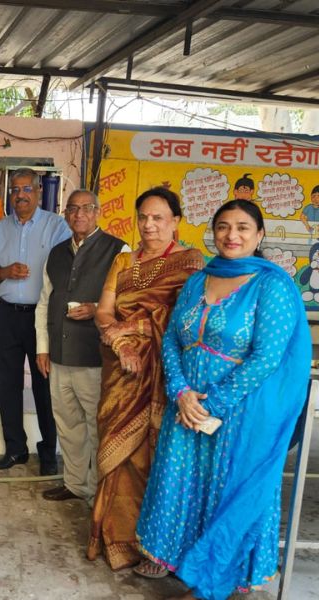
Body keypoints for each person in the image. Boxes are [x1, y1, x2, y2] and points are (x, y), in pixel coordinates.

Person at [135, 200, 310, 600]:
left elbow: (267, 357)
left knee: (224, 489)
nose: (232, 235)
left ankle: (219, 575)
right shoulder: (200, 280)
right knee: (183, 484)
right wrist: (180, 392)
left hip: (238, 411)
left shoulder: (272, 285)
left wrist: (211, 404)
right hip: (187, 404)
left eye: (244, 228)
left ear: (260, 235)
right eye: (224, 227)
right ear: (212, 233)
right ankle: (182, 562)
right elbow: (173, 340)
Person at [86, 187, 204, 570]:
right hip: (122, 369)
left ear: (175, 222)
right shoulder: (122, 261)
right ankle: (114, 539)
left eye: (158, 218)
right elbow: (104, 313)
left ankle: (155, 547)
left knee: (152, 458)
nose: (149, 225)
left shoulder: (190, 262)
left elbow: (187, 321)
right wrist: (122, 343)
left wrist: (141, 331)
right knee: (117, 458)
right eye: (143, 218)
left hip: (162, 374)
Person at [35, 190, 128, 502]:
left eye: (86, 209)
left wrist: (96, 307)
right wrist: (42, 348)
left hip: (95, 357)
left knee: (96, 425)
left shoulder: (118, 250)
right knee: (68, 425)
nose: (79, 215)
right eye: (72, 209)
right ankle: (76, 484)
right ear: (65, 214)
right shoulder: (57, 252)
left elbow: (128, 302)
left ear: (98, 212)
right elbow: (44, 301)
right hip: (59, 356)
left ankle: (101, 491)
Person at [0, 168, 71, 475]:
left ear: (39, 192)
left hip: (42, 318)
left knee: (45, 386)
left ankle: (48, 454)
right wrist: (4, 272)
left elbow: (70, 269)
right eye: (15, 190)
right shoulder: (0, 228)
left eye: (26, 189)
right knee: (8, 384)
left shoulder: (57, 226)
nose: (20, 195)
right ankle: (15, 449)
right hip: (7, 315)